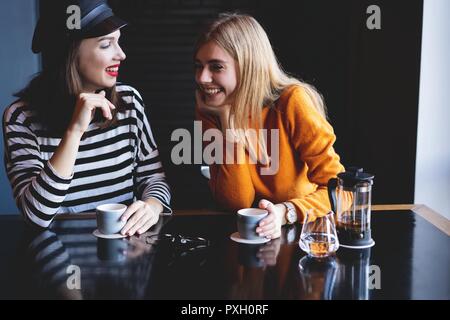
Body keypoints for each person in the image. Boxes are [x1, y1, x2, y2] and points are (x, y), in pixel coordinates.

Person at [2, 0, 171, 235]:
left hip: (123, 258)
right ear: (69, 52)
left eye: (118, 42)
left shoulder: (130, 101)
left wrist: (152, 205)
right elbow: (36, 216)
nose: (121, 54)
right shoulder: (21, 117)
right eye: (106, 45)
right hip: (59, 262)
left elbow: (153, 178)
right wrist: (74, 131)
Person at [195, 13, 344, 239]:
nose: (202, 78)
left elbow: (342, 192)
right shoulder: (212, 109)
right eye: (199, 66)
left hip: (302, 235)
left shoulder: (293, 101)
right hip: (245, 237)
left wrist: (287, 212)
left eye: (216, 67)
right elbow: (235, 201)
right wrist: (228, 122)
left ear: (248, 67)